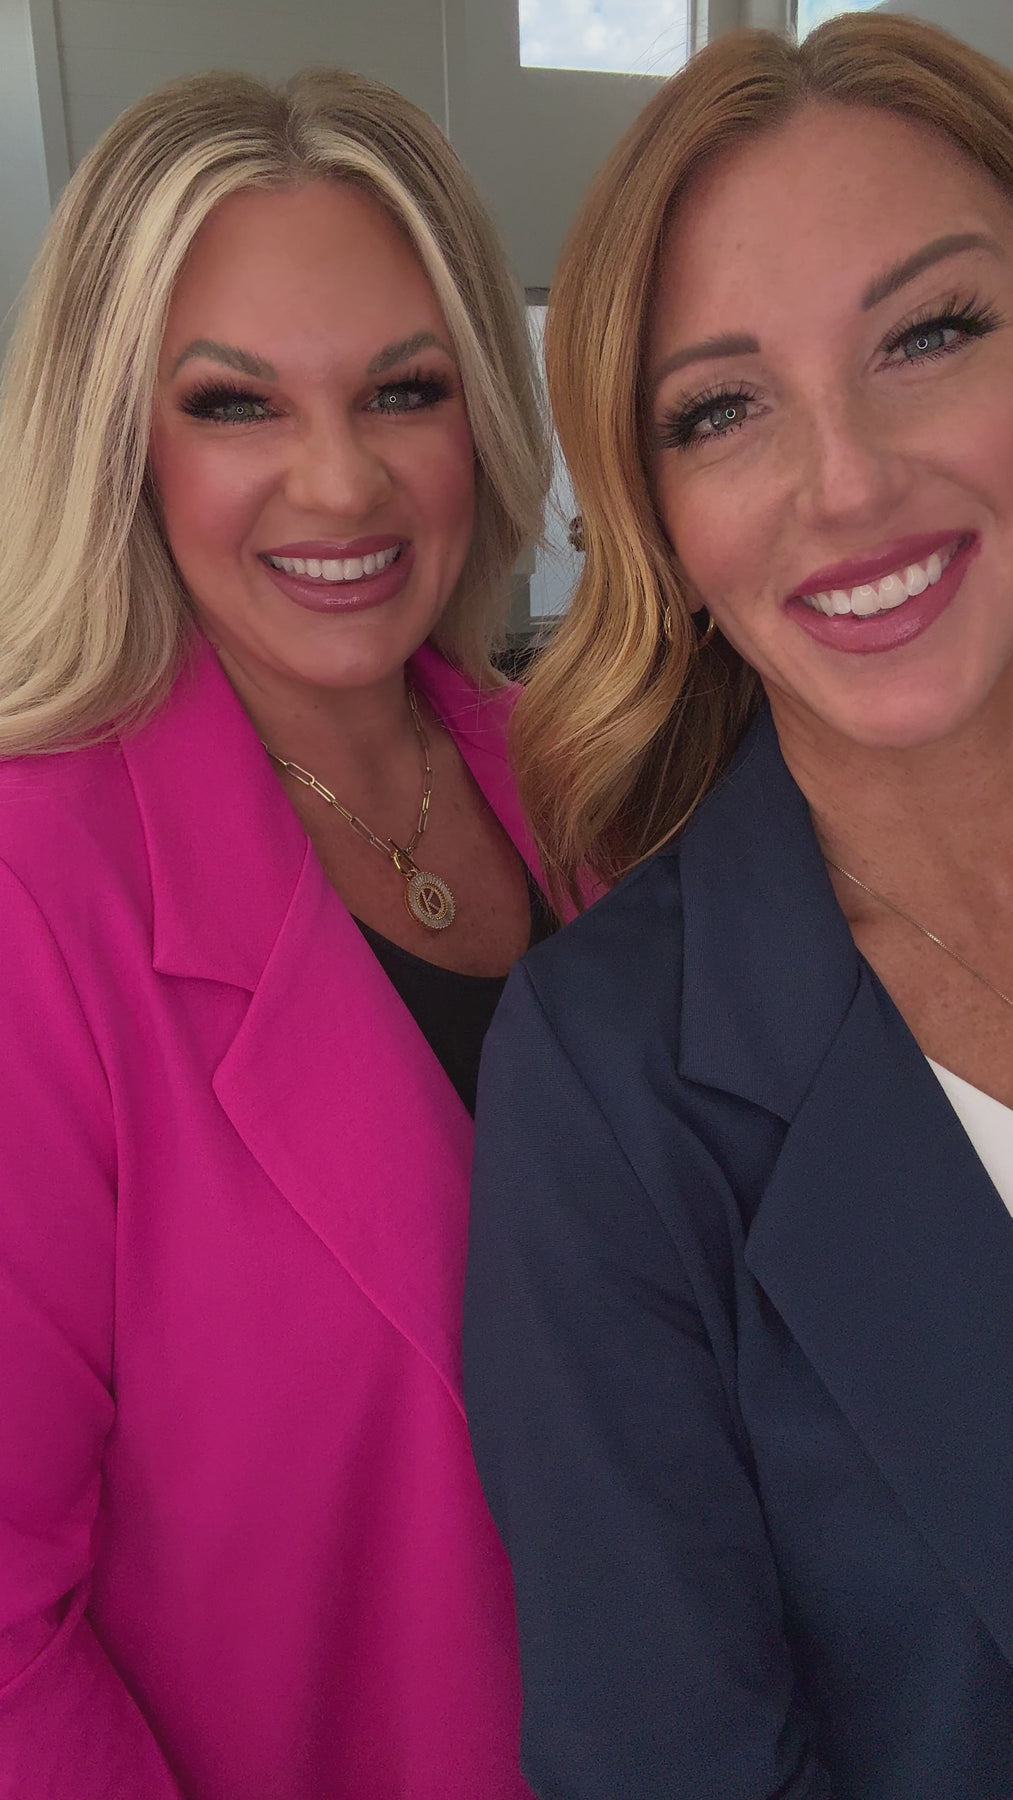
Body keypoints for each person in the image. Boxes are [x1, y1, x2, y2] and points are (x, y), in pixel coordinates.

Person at [464, 14, 1013, 1799]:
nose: (844, 481)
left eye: (928, 332)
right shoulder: (607, 1081)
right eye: (719, 410)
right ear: (658, 527)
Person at [0, 64, 549, 1800]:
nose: (339, 481)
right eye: (235, 403)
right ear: (123, 444)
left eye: (403, 388)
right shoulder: (34, 892)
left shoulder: (591, 793)